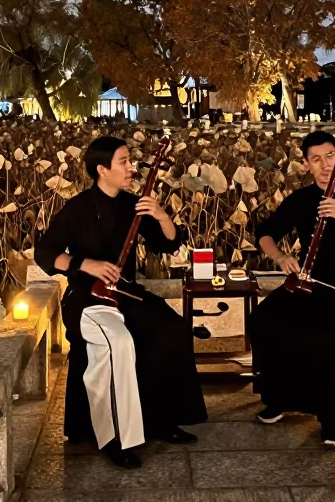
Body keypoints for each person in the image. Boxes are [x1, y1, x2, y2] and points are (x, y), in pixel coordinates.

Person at [35, 136, 207, 468]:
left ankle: (160, 420)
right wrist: (84, 263)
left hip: (125, 293)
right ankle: (113, 437)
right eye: (124, 162)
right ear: (102, 170)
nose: (132, 168)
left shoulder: (133, 204)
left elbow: (169, 245)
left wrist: (160, 214)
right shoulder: (78, 208)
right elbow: (44, 253)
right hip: (87, 298)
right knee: (119, 343)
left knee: (171, 329)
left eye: (131, 161)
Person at [250, 130, 335, 447]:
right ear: (306, 164)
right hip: (309, 286)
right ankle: (279, 398)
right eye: (316, 159)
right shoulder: (301, 200)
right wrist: (281, 256)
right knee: (264, 320)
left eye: (330, 156)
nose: (325, 164)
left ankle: (329, 418)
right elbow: (265, 232)